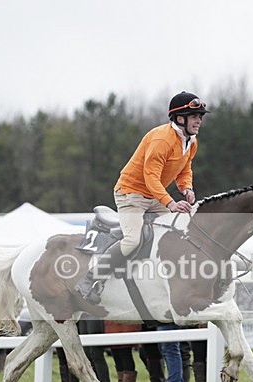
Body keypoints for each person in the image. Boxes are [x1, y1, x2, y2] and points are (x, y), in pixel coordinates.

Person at [76, 91, 209, 303]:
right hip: (131, 193)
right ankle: (90, 278)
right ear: (180, 118)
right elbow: (150, 177)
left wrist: (187, 188)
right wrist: (171, 203)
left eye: (201, 116)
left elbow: (184, 170)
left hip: (153, 194)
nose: (199, 120)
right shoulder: (161, 140)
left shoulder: (191, 142)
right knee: (131, 240)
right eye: (195, 116)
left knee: (177, 229)